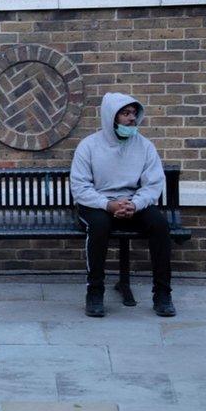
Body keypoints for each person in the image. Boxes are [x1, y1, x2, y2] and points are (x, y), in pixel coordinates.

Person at [70, 92, 175, 318]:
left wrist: (135, 205)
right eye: (125, 114)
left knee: (159, 225)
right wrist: (108, 205)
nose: (131, 119)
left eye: (134, 114)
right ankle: (95, 292)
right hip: (98, 204)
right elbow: (80, 188)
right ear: (111, 117)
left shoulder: (145, 146)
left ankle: (163, 294)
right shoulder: (88, 146)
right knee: (98, 227)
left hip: (132, 203)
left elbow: (153, 184)